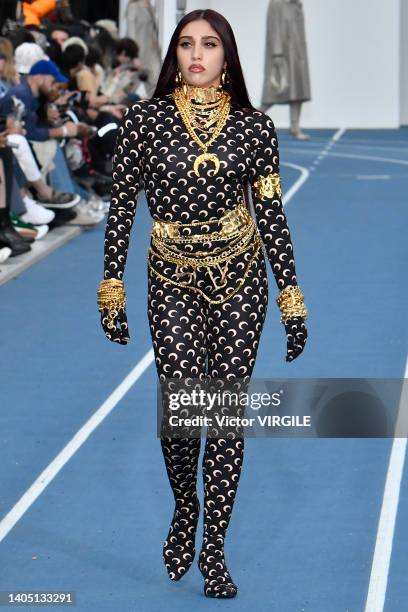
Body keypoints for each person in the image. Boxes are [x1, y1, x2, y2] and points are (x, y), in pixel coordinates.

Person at [97, 9, 308, 599]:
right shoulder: (145, 122)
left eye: (210, 44)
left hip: (241, 278)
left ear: (226, 55)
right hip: (171, 278)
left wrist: (291, 296)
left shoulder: (255, 128)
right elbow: (121, 210)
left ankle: (213, 545)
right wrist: (110, 287)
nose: (197, 54)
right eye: (187, 43)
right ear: (174, 54)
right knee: (184, 407)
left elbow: (271, 212)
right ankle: (184, 505)